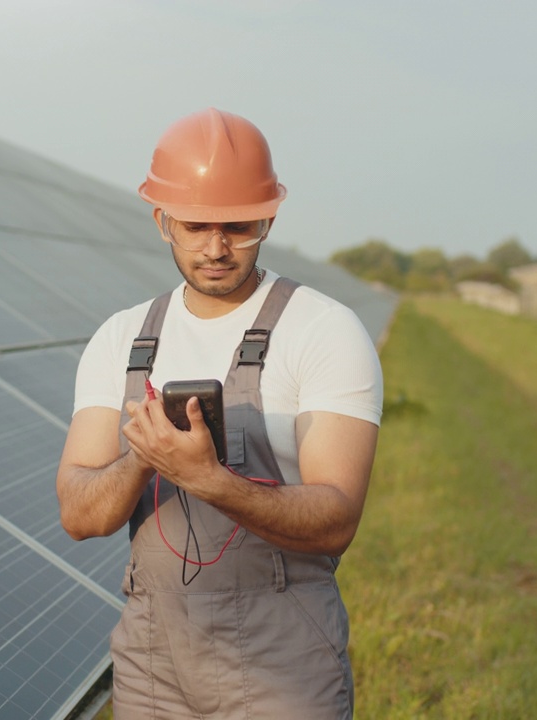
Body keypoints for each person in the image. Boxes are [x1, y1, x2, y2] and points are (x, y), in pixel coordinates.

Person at [56, 107, 383, 719]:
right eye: (195, 225)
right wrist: (144, 461)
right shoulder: (122, 338)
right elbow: (78, 513)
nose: (216, 247)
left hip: (280, 657)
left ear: (268, 217)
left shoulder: (324, 330)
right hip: (152, 658)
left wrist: (209, 479)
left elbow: (337, 518)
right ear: (161, 221)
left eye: (238, 226)